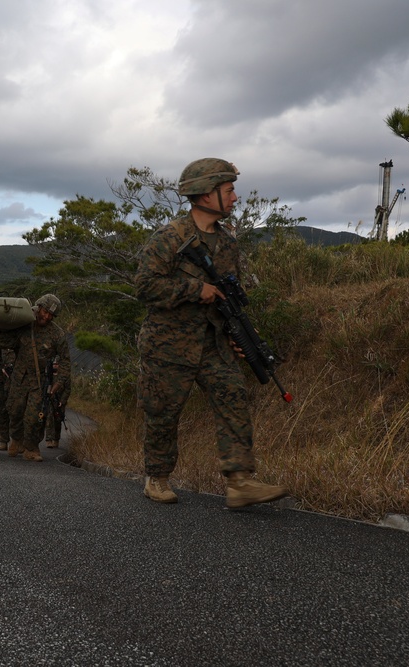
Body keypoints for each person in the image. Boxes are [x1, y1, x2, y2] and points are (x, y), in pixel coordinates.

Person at [134, 157, 287, 508]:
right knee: (163, 413)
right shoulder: (169, 237)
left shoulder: (228, 243)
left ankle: (240, 482)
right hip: (168, 345)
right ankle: (156, 479)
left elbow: (226, 296)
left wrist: (239, 335)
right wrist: (194, 290)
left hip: (212, 343)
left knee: (234, 398)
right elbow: (144, 286)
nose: (235, 198)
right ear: (205, 194)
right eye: (229, 190)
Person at [0, 294, 70, 462]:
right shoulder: (23, 321)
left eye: (50, 315)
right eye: (44, 311)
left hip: (39, 380)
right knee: (14, 410)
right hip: (19, 376)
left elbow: (66, 360)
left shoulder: (56, 334)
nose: (46, 317)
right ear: (39, 307)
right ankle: (17, 439)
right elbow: (6, 343)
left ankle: (31, 447)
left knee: (34, 416)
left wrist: (59, 382)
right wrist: (8, 364)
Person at [44, 355, 71, 449]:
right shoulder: (48, 375)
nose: (55, 366)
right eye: (54, 364)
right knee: (49, 418)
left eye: (57, 364)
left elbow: (67, 389)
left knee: (58, 420)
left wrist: (62, 401)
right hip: (50, 399)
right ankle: (48, 439)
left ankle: (56, 439)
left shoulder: (64, 376)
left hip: (59, 400)